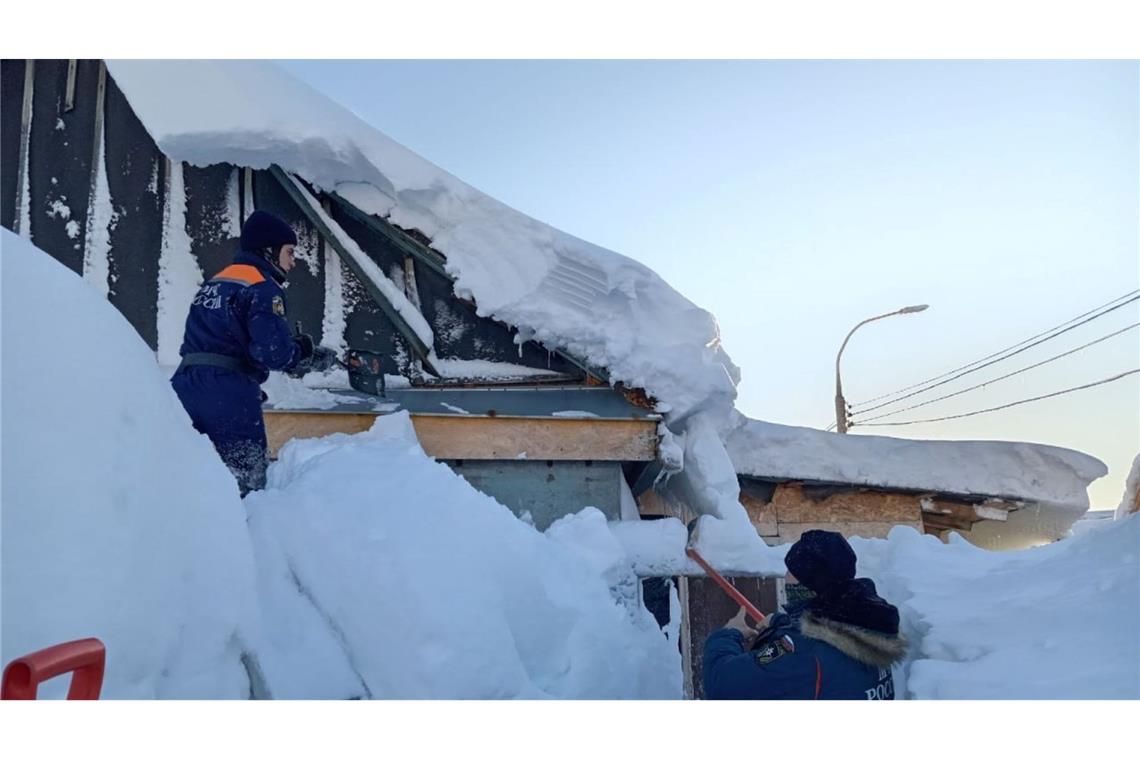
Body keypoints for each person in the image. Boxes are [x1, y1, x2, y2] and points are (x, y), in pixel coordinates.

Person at [171, 210, 337, 496]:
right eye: (289, 251)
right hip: (228, 394)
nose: (293, 261)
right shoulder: (263, 287)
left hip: (183, 386)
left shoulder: (216, 282)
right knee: (246, 483)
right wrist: (305, 353)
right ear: (269, 250)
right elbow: (273, 352)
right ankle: (241, 536)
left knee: (178, 475)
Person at [703, 529, 907, 700]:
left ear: (810, 584)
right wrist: (780, 623)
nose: (786, 577)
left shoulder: (796, 652)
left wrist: (728, 635)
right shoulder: (870, 628)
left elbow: (721, 684)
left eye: (792, 572)